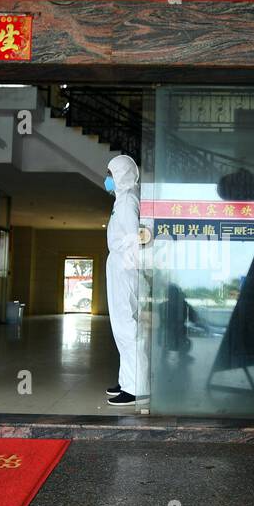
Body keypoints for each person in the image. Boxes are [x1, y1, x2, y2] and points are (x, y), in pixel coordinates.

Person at [104, 154, 148, 405]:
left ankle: (134, 388)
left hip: (125, 267)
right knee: (122, 326)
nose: (107, 180)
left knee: (127, 326)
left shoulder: (128, 200)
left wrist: (132, 269)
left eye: (110, 174)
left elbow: (133, 238)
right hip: (120, 265)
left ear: (120, 175)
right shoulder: (123, 199)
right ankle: (127, 380)